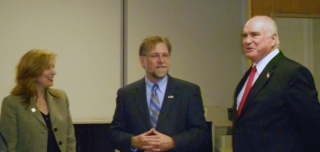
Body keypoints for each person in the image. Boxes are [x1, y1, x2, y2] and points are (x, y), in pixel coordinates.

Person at [232, 15, 320, 152]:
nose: (247, 41)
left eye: (254, 35)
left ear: (273, 39)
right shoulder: (249, 76)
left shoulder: (292, 73)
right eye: (244, 36)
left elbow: (312, 127)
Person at [108, 35, 209, 152]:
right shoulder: (127, 94)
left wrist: (173, 142)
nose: (161, 60)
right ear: (142, 61)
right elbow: (114, 134)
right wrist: (134, 141)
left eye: (165, 55)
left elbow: (201, 133)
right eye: (155, 56)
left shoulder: (188, 91)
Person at [0, 49, 76, 152]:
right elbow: (9, 145)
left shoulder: (60, 98)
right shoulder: (12, 103)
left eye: (53, 67)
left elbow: (69, 138)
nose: (54, 72)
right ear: (33, 71)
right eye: (48, 68)